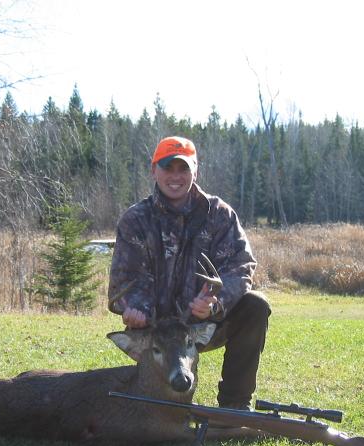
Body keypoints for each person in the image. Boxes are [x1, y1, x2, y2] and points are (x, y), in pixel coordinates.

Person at [108, 135, 270, 410]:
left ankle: (235, 407)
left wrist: (214, 304)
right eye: (167, 167)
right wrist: (135, 309)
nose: (175, 176)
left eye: (183, 168)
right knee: (156, 412)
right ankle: (157, 403)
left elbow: (242, 266)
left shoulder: (219, 215)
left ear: (196, 170)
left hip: (201, 327)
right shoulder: (136, 220)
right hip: (154, 330)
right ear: (153, 170)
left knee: (255, 305)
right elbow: (124, 281)